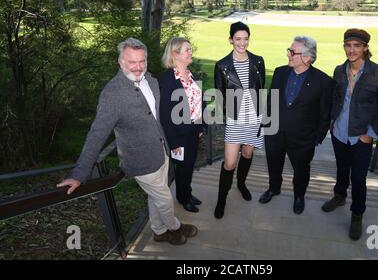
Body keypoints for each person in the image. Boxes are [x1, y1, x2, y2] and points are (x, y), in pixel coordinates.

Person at [57, 37, 198, 246]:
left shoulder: (151, 81)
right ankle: (175, 227)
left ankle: (159, 230)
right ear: (120, 62)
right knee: (165, 198)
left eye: (142, 61)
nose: (138, 67)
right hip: (140, 160)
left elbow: (163, 114)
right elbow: (96, 134)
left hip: (161, 151)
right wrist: (79, 174)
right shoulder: (112, 94)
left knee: (156, 196)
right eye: (132, 62)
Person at [321, 29, 378, 240]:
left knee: (359, 178)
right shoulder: (339, 70)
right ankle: (339, 195)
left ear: (365, 48)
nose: (351, 50)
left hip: (362, 135)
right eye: (348, 45)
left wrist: (370, 133)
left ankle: (357, 214)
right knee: (342, 168)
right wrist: (332, 121)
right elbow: (335, 98)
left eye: (356, 46)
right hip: (339, 132)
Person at [259, 36, 332, 215]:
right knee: (273, 165)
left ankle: (299, 196)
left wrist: (317, 138)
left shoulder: (323, 82)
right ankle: (274, 188)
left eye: (292, 52)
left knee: (301, 171)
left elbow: (325, 114)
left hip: (302, 139)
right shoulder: (279, 72)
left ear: (307, 58)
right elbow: (271, 101)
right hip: (274, 133)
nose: (288, 54)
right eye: (289, 50)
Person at [213, 21, 265, 219]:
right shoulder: (222, 65)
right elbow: (219, 96)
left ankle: (242, 184)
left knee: (248, 153)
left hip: (254, 117)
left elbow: (260, 89)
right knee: (229, 162)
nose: (242, 43)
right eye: (238, 39)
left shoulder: (258, 61)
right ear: (231, 40)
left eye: (245, 39)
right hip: (235, 119)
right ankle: (221, 199)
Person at [159, 37, 205, 213]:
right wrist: (174, 143)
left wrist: (200, 126)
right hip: (179, 135)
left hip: (193, 131)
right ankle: (183, 198)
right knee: (183, 168)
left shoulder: (190, 74)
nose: (190, 52)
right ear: (174, 54)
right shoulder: (167, 80)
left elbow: (198, 102)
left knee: (189, 165)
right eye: (187, 50)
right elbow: (165, 115)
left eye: (190, 49)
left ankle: (188, 192)